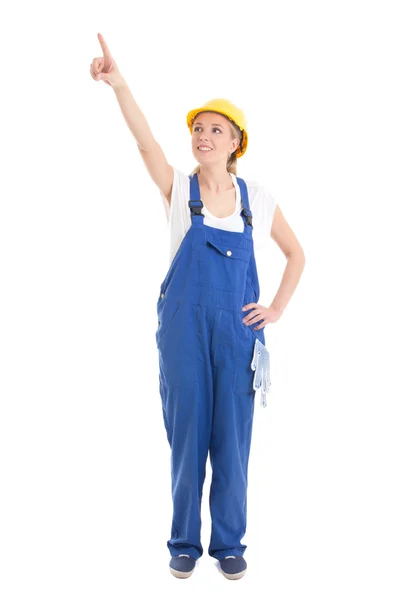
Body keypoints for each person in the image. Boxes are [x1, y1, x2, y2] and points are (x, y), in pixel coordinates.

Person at [90, 33, 306, 580]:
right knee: (187, 439)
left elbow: (297, 254)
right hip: (183, 334)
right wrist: (120, 85)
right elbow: (145, 146)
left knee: (231, 443)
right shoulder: (178, 194)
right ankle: (184, 541)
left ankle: (230, 544)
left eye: (215, 130)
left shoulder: (256, 200)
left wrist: (275, 309)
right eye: (197, 129)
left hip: (238, 337)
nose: (203, 136)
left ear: (236, 143)